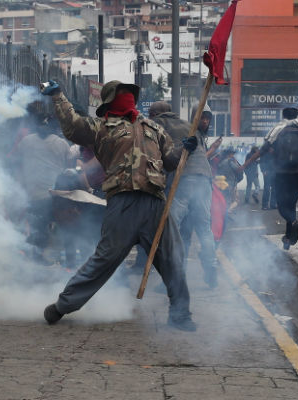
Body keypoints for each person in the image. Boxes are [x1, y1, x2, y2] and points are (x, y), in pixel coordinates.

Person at [40, 80, 198, 331]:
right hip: (122, 202)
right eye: (122, 94)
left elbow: (170, 162)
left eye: (129, 93)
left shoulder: (153, 128)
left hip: (156, 204)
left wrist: (185, 150)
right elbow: (72, 126)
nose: (127, 97)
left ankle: (180, 315)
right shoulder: (101, 127)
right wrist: (59, 96)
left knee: (173, 259)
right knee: (104, 260)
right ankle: (63, 306)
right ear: (112, 100)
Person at [150, 102, 219, 289]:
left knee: (171, 226)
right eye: (202, 117)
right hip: (204, 180)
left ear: (156, 113)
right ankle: (211, 266)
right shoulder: (191, 128)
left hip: (185, 179)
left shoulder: (158, 123)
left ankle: (172, 278)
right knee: (202, 228)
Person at [15, 107, 72, 264]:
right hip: (52, 192)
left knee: (38, 225)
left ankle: (36, 256)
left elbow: (18, 162)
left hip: (36, 192)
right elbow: (69, 164)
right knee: (51, 225)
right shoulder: (61, 143)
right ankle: (46, 257)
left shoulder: (26, 141)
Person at [259, 107, 298, 249]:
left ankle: (294, 223)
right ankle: (289, 238)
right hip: (297, 173)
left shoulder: (278, 129)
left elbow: (264, 148)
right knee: (291, 205)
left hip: (281, 174)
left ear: (283, 116)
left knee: (281, 205)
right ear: (297, 115)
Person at [217, 147, 243, 213]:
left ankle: (224, 211)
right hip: (231, 183)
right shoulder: (230, 161)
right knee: (232, 199)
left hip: (223, 182)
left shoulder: (222, 162)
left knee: (225, 197)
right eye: (232, 154)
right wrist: (236, 162)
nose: (233, 155)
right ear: (229, 154)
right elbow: (238, 169)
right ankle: (227, 212)